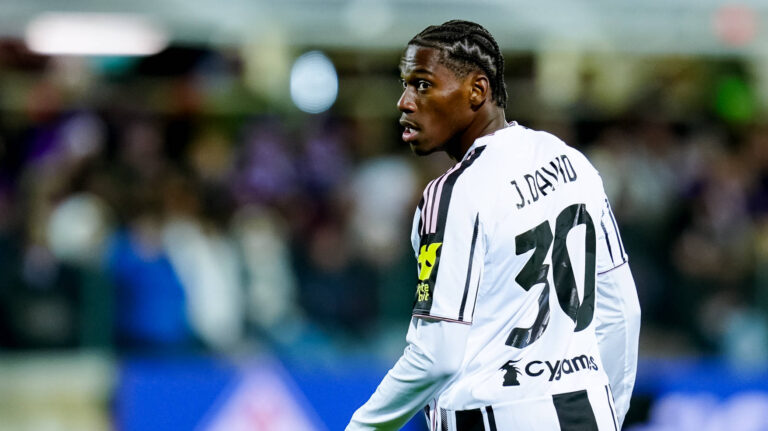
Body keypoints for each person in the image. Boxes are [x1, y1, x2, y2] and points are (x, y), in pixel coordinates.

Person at [347, 20, 641, 431]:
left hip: (493, 414)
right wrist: (609, 411)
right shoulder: (571, 162)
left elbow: (436, 356)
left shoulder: (453, 193)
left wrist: (362, 426)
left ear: (477, 90)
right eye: (405, 85)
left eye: (423, 85)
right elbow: (622, 311)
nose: (404, 102)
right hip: (588, 411)